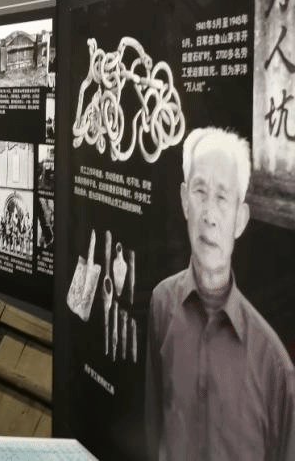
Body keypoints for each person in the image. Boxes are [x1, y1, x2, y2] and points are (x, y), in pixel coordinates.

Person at [145, 126, 295, 461]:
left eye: (223, 198)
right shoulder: (161, 304)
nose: (209, 216)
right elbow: (154, 431)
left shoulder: (274, 366)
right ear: (184, 200)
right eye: (200, 192)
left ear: (240, 219)